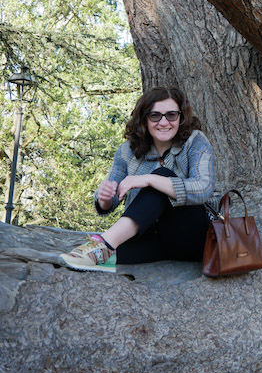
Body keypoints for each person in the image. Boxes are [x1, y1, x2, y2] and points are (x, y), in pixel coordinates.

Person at [59, 86, 216, 273]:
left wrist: (148, 179)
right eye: (155, 116)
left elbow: (203, 188)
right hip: (151, 239)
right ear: (144, 119)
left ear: (181, 117)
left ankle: (103, 243)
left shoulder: (195, 141)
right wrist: (105, 197)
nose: (164, 122)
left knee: (161, 177)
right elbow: (108, 203)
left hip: (191, 237)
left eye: (171, 115)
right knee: (106, 259)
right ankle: (105, 250)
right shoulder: (127, 151)